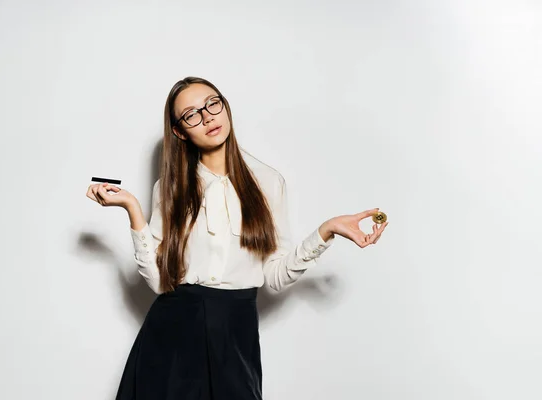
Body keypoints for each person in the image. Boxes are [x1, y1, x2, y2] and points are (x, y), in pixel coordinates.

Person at [86, 76, 388, 400]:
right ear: (179, 131)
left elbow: (274, 276)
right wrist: (132, 209)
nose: (207, 118)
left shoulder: (269, 182)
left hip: (236, 333)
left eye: (212, 104)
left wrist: (325, 232)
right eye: (191, 115)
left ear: (224, 105)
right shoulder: (170, 188)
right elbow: (160, 281)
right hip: (172, 333)